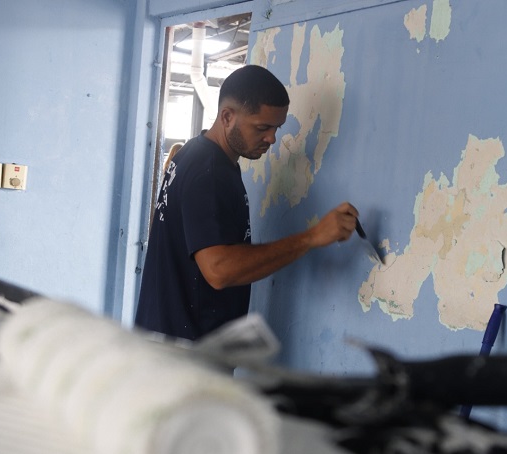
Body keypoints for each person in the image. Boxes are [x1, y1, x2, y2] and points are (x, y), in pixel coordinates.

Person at [135, 65, 358, 341]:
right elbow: (218, 269)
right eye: (262, 127)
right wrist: (311, 238)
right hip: (183, 353)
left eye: (276, 127)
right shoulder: (210, 171)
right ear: (227, 117)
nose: (272, 138)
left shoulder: (196, 153)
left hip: (170, 342)